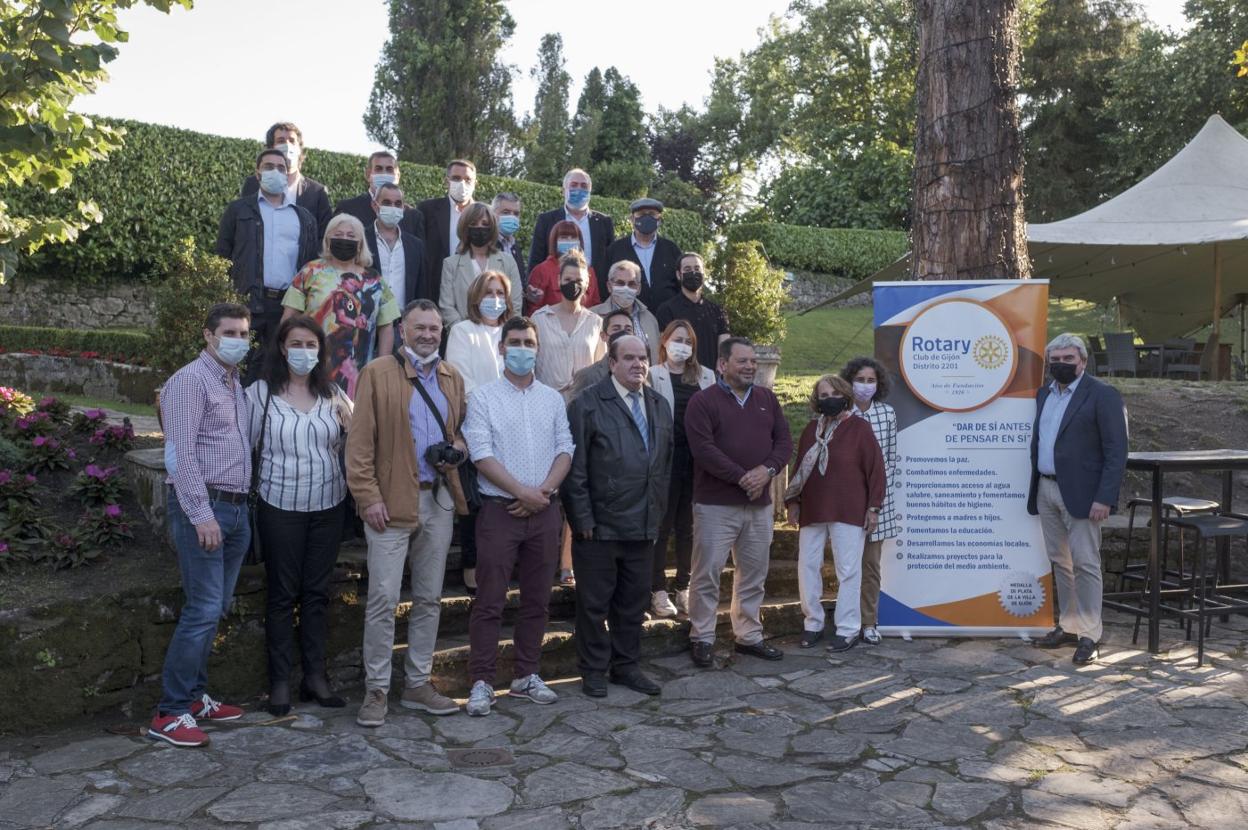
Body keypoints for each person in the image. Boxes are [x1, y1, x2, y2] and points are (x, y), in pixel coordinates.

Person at [348, 300, 470, 727]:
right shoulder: (376, 374)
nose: (428, 335)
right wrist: (368, 498)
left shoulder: (452, 377)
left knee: (430, 598)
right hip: (391, 502)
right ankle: (376, 690)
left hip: (437, 500)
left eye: (434, 329)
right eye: (419, 328)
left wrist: (455, 454)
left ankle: (418, 683)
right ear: (402, 330)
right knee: (383, 599)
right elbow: (359, 446)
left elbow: (460, 434)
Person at [148, 303, 253, 747]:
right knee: (202, 609)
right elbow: (179, 455)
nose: (238, 340)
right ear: (208, 335)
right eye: (229, 332)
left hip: (236, 509)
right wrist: (201, 513)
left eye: (244, 333)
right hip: (205, 508)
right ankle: (170, 713)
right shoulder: (189, 382)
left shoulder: (234, 383)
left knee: (215, 608)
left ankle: (193, 698)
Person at [462, 316, 575, 717]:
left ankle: (527, 675)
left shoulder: (552, 399)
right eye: (515, 341)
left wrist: (541, 493)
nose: (522, 348)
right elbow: (480, 453)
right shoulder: (482, 398)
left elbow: (565, 448)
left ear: (537, 348)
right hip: (500, 511)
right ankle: (482, 682)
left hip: (544, 511)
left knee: (537, 601)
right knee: (489, 601)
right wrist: (521, 491)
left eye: (529, 342)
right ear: (501, 348)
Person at [246, 315, 350, 716]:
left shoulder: (334, 394)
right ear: (281, 348)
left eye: (311, 345)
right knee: (281, 595)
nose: (303, 352)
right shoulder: (260, 395)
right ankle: (279, 683)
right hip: (280, 507)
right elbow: (243, 444)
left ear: (320, 351)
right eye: (296, 344)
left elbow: (355, 438)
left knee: (317, 595)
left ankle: (315, 678)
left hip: (328, 506)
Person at [564, 335, 673, 698]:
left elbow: (664, 466)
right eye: (628, 358)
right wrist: (582, 522)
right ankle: (593, 669)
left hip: (643, 524)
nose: (637, 364)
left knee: (632, 603)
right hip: (599, 527)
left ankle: (626, 665)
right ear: (611, 363)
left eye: (642, 358)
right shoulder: (588, 404)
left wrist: (656, 517)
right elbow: (574, 469)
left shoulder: (658, 405)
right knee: (594, 605)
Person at [685, 337, 793, 668]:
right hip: (716, 505)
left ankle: (748, 636)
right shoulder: (703, 402)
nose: (749, 366)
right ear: (722, 365)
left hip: (758, 506)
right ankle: (702, 636)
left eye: (752, 362)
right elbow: (703, 449)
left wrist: (767, 470)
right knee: (707, 573)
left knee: (754, 574)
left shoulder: (767, 399)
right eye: (742, 361)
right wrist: (741, 476)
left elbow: (784, 442)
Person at [1028, 333, 1128, 666]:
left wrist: (1105, 497)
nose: (1061, 365)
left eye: (1068, 359)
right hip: (1046, 488)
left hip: (1085, 496)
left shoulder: (1102, 395)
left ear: (1082, 361)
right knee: (1061, 561)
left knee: (1086, 564)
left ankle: (1090, 634)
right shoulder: (1044, 394)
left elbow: (1117, 452)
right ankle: (1068, 626)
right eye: (1055, 359)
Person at [784, 375, 884, 652]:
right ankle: (812, 623)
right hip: (813, 508)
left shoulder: (859, 429)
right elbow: (799, 471)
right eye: (823, 395)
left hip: (849, 508)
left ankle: (848, 628)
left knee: (848, 570)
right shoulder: (811, 430)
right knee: (807, 567)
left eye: (833, 394)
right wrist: (793, 502)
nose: (829, 399)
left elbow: (876, 470)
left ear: (844, 394)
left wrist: (873, 508)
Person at [216, 148, 319, 383]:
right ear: (258, 173)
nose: (275, 171)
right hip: (247, 302)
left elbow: (311, 266)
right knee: (238, 369)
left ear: (288, 173)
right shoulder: (238, 210)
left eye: (281, 167)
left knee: (278, 372)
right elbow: (222, 255)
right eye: (269, 166)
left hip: (287, 306)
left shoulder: (304, 217)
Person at [445, 269, 514, 595]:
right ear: (475, 297)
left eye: (501, 294)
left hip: (513, 429)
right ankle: (472, 567)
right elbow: (462, 383)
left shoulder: (513, 333)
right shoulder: (462, 331)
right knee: (475, 502)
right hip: (476, 425)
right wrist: (493, 412)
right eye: (489, 293)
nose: (495, 300)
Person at [281, 214, 400, 399]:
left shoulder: (375, 280)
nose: (344, 239)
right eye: (339, 234)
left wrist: (381, 366)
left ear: (361, 243)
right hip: (313, 365)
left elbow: (387, 327)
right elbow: (288, 318)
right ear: (328, 240)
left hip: (360, 368)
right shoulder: (310, 272)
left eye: (351, 236)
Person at [648, 320, 716, 618]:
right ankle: (658, 590)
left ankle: (684, 585)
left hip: (697, 461)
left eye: (688, 341)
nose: (683, 346)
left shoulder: (707, 376)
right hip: (665, 460)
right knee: (662, 526)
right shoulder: (653, 375)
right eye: (678, 339)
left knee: (689, 527)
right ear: (664, 341)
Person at [840, 356, 899, 645]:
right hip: (846, 500)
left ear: (879, 384)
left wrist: (875, 500)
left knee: (871, 566)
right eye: (860, 380)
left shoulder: (887, 414)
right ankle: (846, 621)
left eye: (870, 380)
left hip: (878, 503)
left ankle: (868, 622)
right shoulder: (841, 413)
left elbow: (890, 459)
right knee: (847, 565)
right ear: (849, 382)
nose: (865, 386)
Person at [239, 121, 333, 237]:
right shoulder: (253, 184)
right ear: (271, 148)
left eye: (292, 141)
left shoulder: (317, 192)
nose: (287, 145)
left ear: (299, 149)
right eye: (281, 141)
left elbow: (324, 236)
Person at [532, 251, 604, 402]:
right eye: (568, 279)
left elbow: (600, 370)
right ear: (559, 280)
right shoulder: (539, 319)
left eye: (579, 280)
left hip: (585, 404)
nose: (573, 284)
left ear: (587, 283)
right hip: (546, 401)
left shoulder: (596, 322)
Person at [363, 183, 429, 346]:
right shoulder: (361, 239)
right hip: (367, 325)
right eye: (386, 203)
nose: (393, 207)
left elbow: (422, 289)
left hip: (403, 327)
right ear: (375, 205)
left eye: (398, 204)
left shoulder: (416, 245)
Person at [529, 168, 615, 293]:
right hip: (555, 293)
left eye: (584, 186)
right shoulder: (546, 220)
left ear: (590, 191)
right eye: (574, 185)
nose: (579, 189)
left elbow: (610, 261)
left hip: (594, 295)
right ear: (564, 191)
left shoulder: (604, 222)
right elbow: (536, 259)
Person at [438, 201, 522, 327]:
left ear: (492, 227)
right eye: (473, 224)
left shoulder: (508, 262)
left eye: (485, 224)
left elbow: (515, 304)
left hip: (500, 336)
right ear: (465, 227)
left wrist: (504, 333)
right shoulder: (451, 264)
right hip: (464, 337)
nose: (479, 228)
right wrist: (464, 332)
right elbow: (446, 306)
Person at [655, 253, 730, 372]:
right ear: (679, 275)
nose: (693, 273)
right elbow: (663, 347)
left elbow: (725, 345)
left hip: (711, 378)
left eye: (697, 268)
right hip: (680, 379)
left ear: (704, 273)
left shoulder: (717, 310)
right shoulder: (666, 310)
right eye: (687, 269)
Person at [605, 197, 681, 311]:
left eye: (652, 214)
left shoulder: (671, 249)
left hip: (667, 320)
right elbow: (605, 285)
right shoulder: (615, 250)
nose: (647, 217)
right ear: (632, 219)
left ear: (659, 219)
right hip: (627, 318)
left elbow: (680, 285)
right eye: (641, 214)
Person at [416, 160, 477, 301]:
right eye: (456, 178)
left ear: (475, 184)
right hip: (435, 291)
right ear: (447, 181)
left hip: (473, 292)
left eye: (468, 179)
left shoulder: (485, 214)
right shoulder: (427, 210)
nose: (462, 183)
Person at [334, 151, 424, 240]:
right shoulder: (347, 209)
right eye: (378, 169)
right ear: (368, 174)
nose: (384, 173)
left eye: (389, 169)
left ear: (398, 177)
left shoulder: (413, 217)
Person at [524, 220, 602, 315]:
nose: (569, 241)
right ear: (554, 241)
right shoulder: (542, 270)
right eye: (564, 237)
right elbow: (533, 309)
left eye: (573, 237)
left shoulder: (589, 271)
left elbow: (596, 305)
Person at [590, 260, 661, 362]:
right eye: (620, 283)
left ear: (639, 288)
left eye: (631, 284)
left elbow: (655, 357)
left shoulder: (650, 319)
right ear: (609, 286)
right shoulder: (593, 316)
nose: (626, 288)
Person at [569, 309, 634, 398]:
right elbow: (575, 409)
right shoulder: (587, 376)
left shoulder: (642, 373)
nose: (623, 333)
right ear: (603, 336)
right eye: (616, 329)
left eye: (628, 329)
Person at [493, 192, 527, 290]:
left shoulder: (514, 245)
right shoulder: (485, 244)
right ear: (494, 214)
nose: (512, 217)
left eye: (516, 214)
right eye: (506, 212)